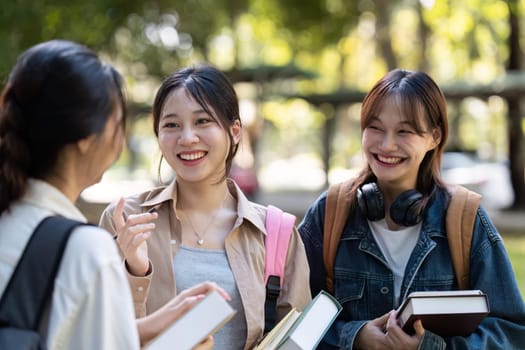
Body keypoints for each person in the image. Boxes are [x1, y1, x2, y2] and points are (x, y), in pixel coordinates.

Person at [0, 39, 227, 350]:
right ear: (85, 137)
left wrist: (164, 319)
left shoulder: (12, 217)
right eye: (118, 123)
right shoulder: (86, 248)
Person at [298, 69, 525, 349]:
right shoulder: (329, 213)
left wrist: (428, 347)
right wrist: (354, 337)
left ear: (434, 137)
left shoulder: (465, 218)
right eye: (376, 128)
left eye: (404, 131)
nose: (387, 144)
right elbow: (290, 319)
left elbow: (511, 333)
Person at [99, 64, 311, 349]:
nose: (187, 138)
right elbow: (101, 334)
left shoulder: (276, 233)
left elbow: (298, 340)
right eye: (171, 125)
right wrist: (136, 272)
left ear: (234, 131)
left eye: (202, 121)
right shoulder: (125, 220)